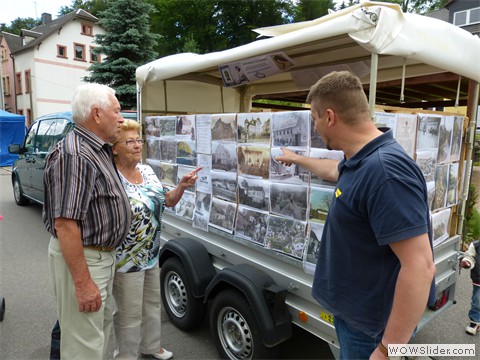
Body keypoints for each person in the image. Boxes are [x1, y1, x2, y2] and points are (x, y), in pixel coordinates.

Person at [275, 71, 436, 359]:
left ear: (330, 116)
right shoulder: (360, 159)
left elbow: (420, 267)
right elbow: (333, 171)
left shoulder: (386, 173)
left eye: (314, 119)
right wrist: (297, 159)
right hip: (355, 318)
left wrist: (388, 349)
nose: (314, 127)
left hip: (370, 330)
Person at [43, 83, 131, 360]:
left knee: (95, 334)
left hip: (98, 258)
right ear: (96, 114)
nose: (121, 118)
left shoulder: (97, 149)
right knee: (84, 345)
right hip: (85, 259)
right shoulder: (76, 154)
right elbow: (66, 224)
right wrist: (82, 283)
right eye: (116, 111)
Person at [112, 119, 201, 359]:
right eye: (129, 141)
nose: (137, 145)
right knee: (129, 314)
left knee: (152, 305)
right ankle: (126, 355)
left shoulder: (147, 171)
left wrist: (182, 186)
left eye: (139, 140)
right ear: (115, 147)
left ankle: (151, 346)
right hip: (126, 258)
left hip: (151, 253)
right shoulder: (111, 176)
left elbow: (168, 201)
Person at [460, 240, 480, 335]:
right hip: (479, 280)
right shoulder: (476, 246)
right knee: (477, 301)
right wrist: (467, 262)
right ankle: (475, 322)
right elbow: (470, 256)